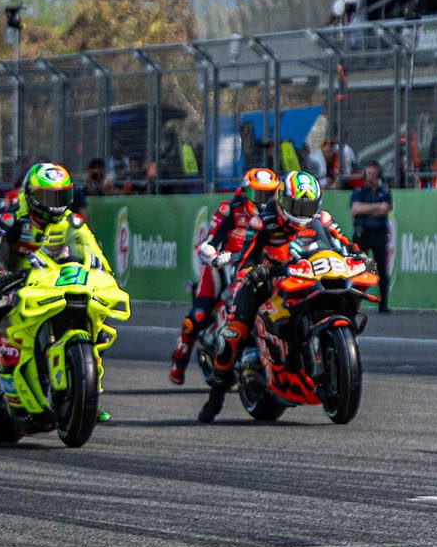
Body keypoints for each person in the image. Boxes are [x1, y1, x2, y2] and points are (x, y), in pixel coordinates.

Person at [0, 164, 108, 439]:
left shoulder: (72, 223)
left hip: (57, 284)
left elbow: (94, 253)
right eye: (48, 198)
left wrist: (101, 271)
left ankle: (89, 397)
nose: (55, 205)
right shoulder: (12, 218)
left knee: (98, 328)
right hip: (14, 284)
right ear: (32, 195)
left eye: (61, 197)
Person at [199, 171, 363, 422]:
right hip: (266, 280)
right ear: (283, 200)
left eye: (307, 206)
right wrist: (256, 270)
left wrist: (361, 258)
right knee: (234, 333)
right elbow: (245, 261)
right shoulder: (262, 223)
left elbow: (346, 245)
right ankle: (216, 396)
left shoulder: (322, 220)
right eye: (297, 206)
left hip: (306, 277)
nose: (302, 212)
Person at [167, 168, 279, 384]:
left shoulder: (278, 214)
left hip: (259, 265)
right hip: (224, 266)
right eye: (259, 194)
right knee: (196, 318)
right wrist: (212, 254)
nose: (264, 200)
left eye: (269, 194)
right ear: (246, 192)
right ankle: (178, 364)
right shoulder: (230, 210)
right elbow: (210, 240)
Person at [350, 162, 394, 315]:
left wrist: (366, 209)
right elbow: (355, 210)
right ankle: (353, 303)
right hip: (362, 234)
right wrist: (376, 207)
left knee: (382, 270)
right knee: (358, 269)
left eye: (374, 174)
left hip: (379, 233)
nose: (371, 177)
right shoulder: (359, 192)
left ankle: (383, 304)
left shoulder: (384, 192)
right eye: (369, 174)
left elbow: (386, 209)